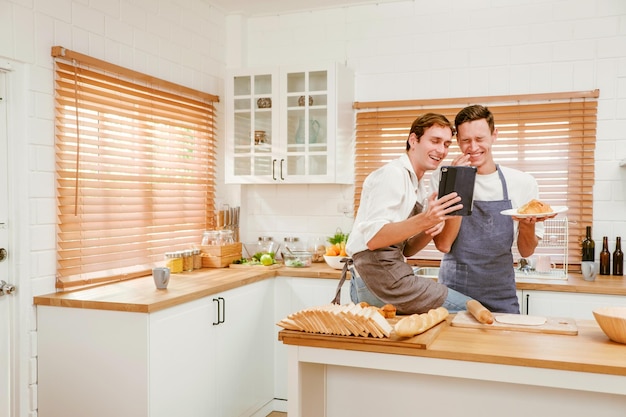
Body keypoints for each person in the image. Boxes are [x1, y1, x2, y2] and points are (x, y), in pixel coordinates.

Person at [338, 113, 473, 315]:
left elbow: (407, 250)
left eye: (446, 144)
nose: (441, 150)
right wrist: (425, 219)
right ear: (413, 140)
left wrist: (428, 229)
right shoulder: (393, 174)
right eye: (435, 141)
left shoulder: (416, 184)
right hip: (378, 278)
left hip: (389, 273)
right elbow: (374, 239)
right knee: (469, 310)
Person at [431, 104, 554, 314]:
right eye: (465, 140)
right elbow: (443, 244)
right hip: (454, 292)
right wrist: (458, 183)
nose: (473, 147)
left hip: (500, 293)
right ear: (458, 141)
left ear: (494, 135)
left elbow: (526, 251)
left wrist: (527, 225)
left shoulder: (522, 182)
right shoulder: (443, 178)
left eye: (480, 139)